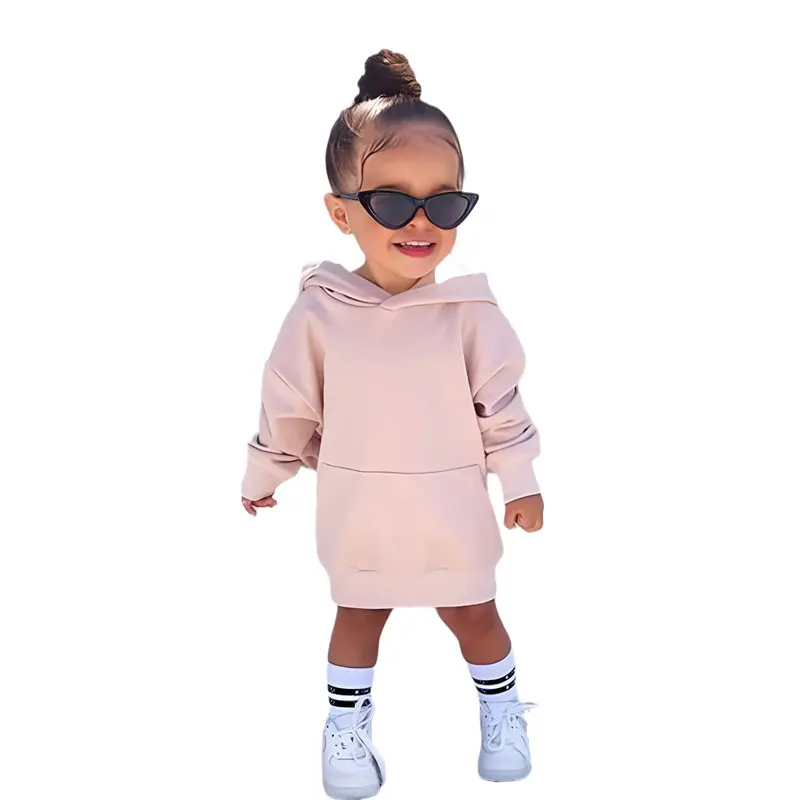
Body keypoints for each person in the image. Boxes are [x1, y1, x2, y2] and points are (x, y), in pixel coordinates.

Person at [240, 49, 544, 800]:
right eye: (390, 202)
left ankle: (502, 711)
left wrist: (520, 479)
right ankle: (346, 733)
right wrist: (264, 471)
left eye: (444, 204)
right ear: (341, 211)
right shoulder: (319, 314)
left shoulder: (470, 314)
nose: (420, 222)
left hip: (451, 510)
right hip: (362, 512)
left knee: (475, 612)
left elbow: (501, 404)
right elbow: (288, 401)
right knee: (358, 616)